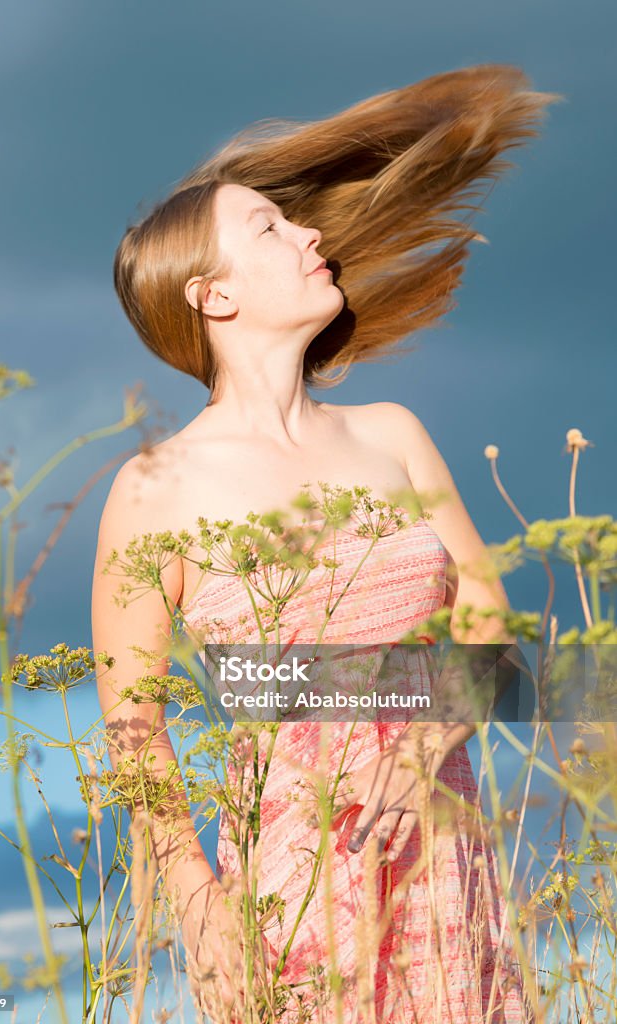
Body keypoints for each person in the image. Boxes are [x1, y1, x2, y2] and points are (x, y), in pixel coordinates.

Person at [91, 64, 558, 1022]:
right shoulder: (153, 489)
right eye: (269, 226)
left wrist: (430, 737)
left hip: (444, 853)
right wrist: (200, 911)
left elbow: (494, 624)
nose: (309, 233)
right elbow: (135, 735)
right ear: (210, 296)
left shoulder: (392, 433)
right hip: (294, 876)